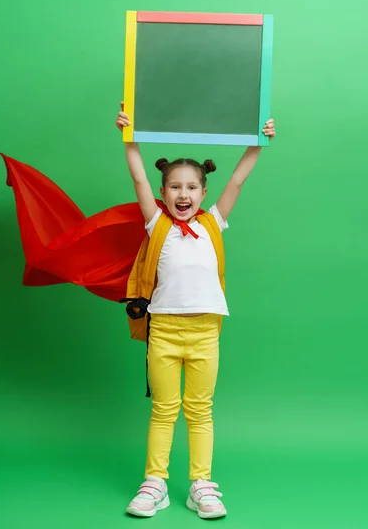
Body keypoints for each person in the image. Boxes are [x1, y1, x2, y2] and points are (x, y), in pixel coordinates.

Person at [116, 103, 275, 519]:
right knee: (164, 409)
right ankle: (155, 484)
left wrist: (259, 139)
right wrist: (129, 134)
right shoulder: (157, 224)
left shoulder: (213, 223)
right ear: (162, 191)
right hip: (164, 331)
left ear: (203, 193)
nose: (182, 195)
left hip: (206, 332)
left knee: (200, 410)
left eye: (191, 187)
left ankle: (201, 485)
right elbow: (136, 175)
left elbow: (238, 179)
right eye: (173, 187)